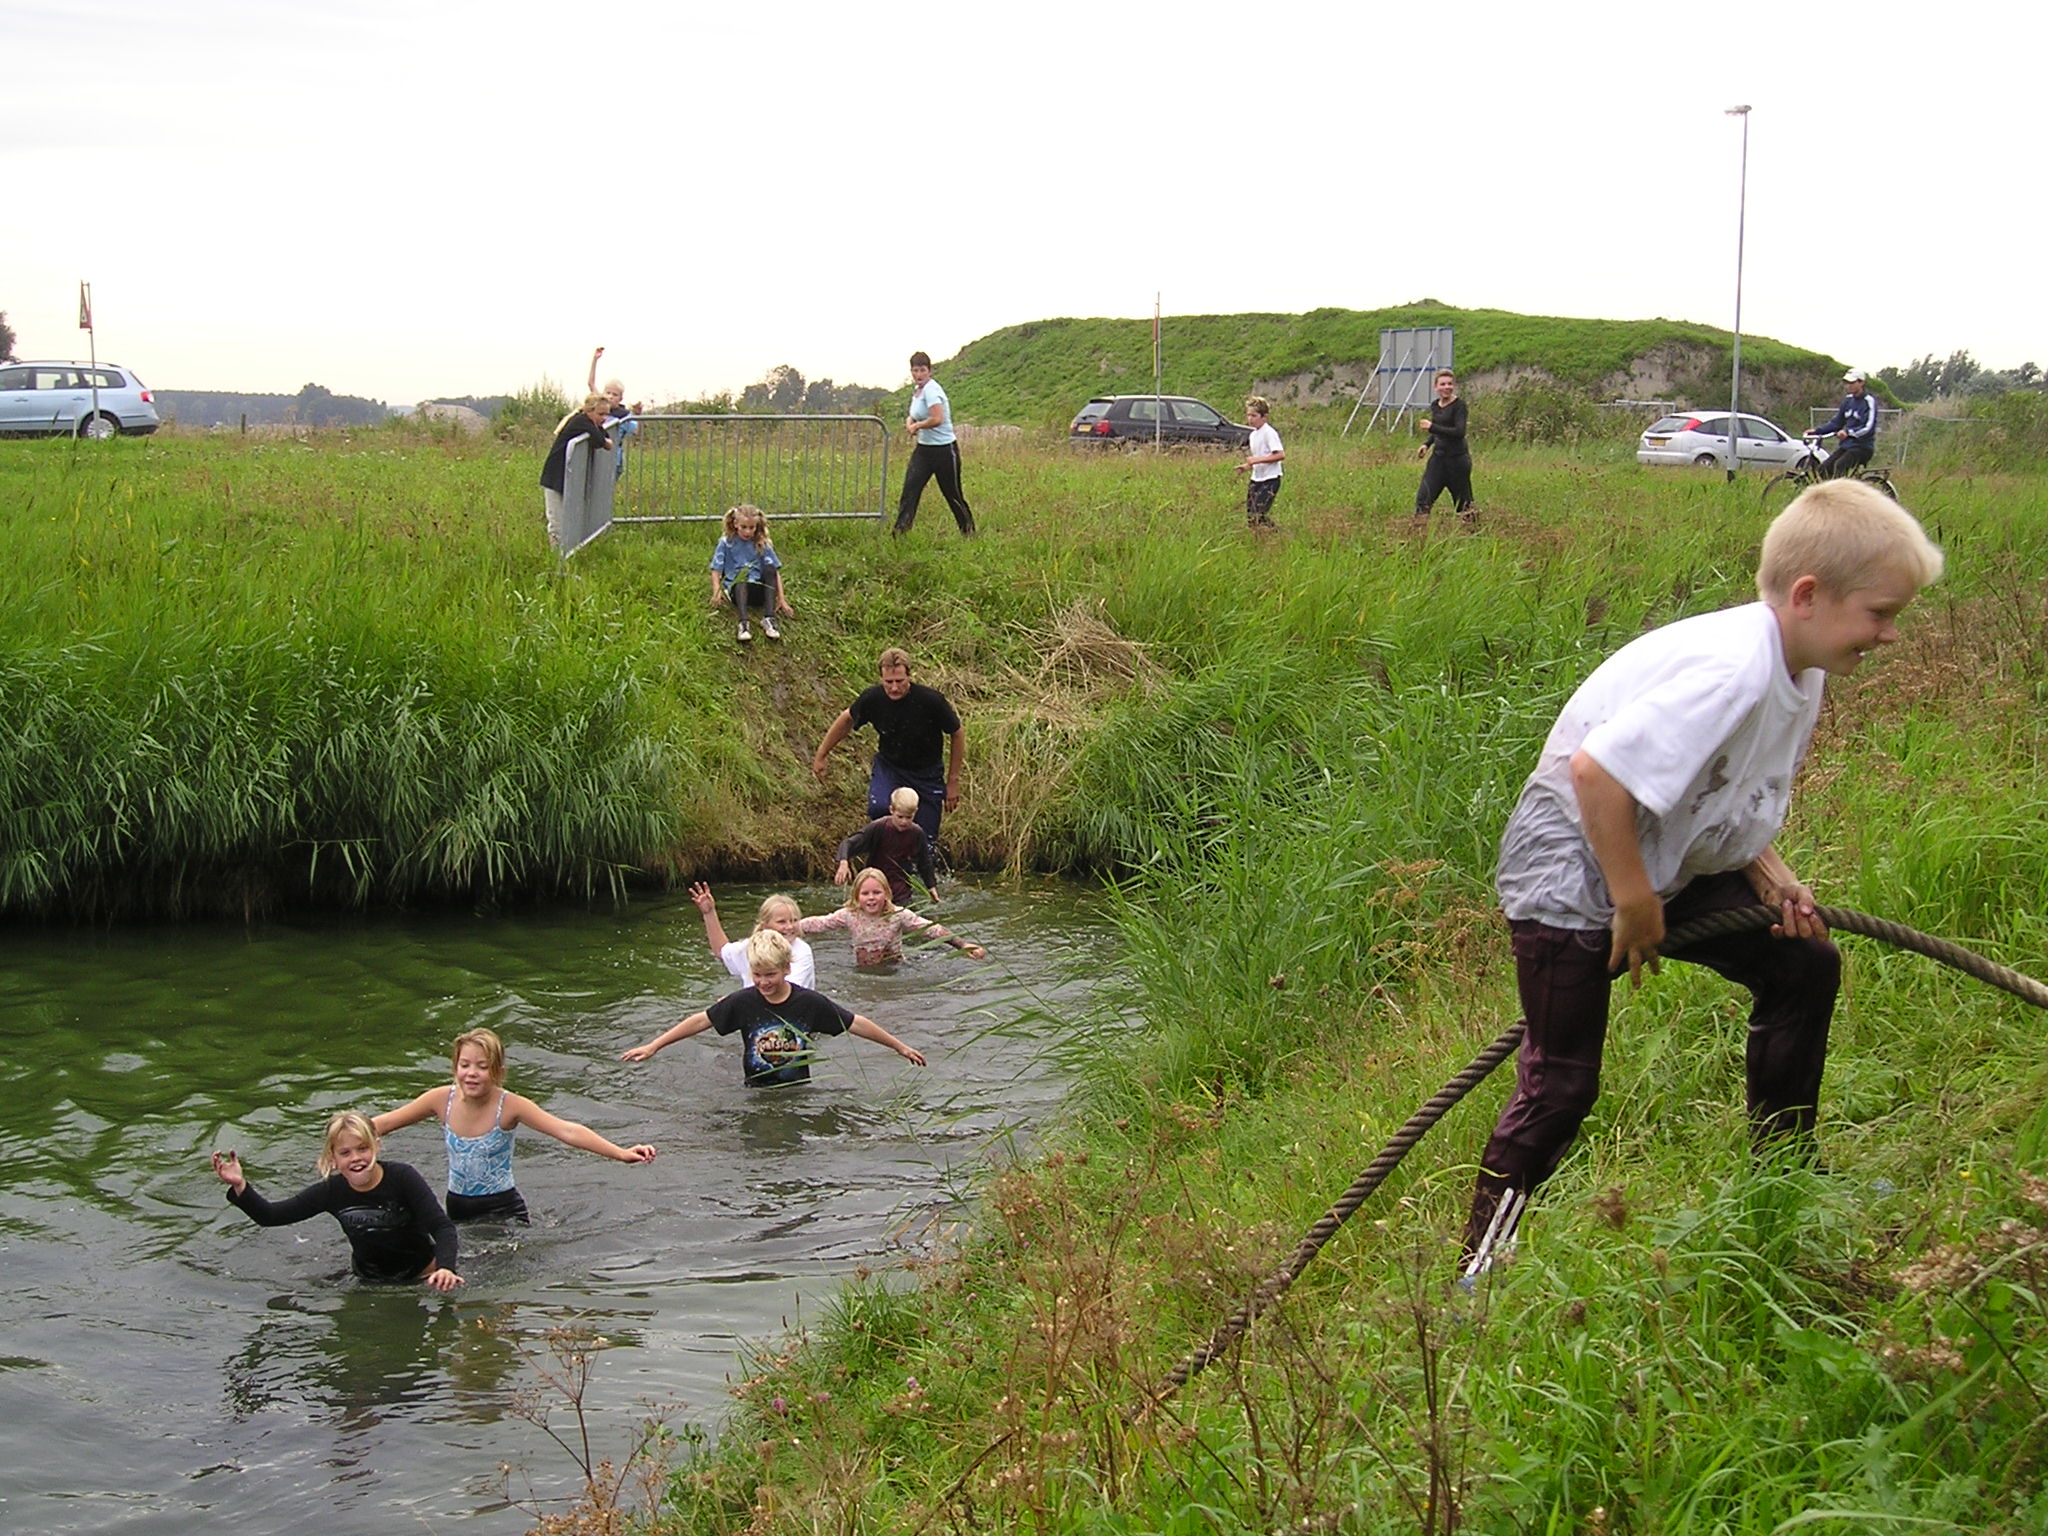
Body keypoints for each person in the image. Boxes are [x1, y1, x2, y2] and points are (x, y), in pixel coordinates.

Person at [1459, 480, 1944, 1275]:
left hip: (1660, 861)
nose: (1890, 634)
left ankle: (1783, 1180)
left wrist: (1772, 871)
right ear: (1808, 596)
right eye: (1882, 613)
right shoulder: (1731, 671)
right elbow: (1596, 775)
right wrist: (1634, 900)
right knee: (1562, 1085)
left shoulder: (1802, 665)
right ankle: (1476, 1270)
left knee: (1804, 963)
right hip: (1575, 866)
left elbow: (1723, 787)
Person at [371, 1028, 657, 1224]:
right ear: (455, 1066)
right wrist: (339, 1145)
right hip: (456, 1206)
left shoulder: (509, 1106)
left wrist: (621, 1153)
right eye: (465, 1065)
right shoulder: (440, 1100)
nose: (471, 1074)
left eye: (482, 1067)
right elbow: (382, 1124)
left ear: (498, 1072)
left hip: (502, 1210)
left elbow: (566, 1130)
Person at [621, 929, 927, 1087]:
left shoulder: (808, 1002)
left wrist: (899, 1047)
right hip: (754, 1092)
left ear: (786, 968)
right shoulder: (743, 1001)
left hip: (797, 1092)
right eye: (757, 975)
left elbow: (855, 1023)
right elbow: (700, 1021)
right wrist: (654, 1045)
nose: (763, 982)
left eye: (770, 975)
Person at [211, 1111, 463, 1290]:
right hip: (370, 1281)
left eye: (363, 1149)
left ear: (377, 1146)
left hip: (422, 1275)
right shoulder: (332, 1191)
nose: (355, 1158)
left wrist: (446, 1268)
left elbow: (442, 1227)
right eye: (345, 1153)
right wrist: (240, 1185)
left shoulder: (403, 1177)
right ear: (333, 1159)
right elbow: (271, 1216)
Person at [811, 647, 964, 847]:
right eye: (888, 682)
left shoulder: (930, 701)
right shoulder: (873, 698)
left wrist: (953, 781)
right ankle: (887, 860)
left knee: (926, 841)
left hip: (927, 772)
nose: (893, 688)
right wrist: (821, 755)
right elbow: (846, 719)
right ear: (881, 678)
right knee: (879, 808)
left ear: (909, 676)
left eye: (899, 682)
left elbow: (957, 733)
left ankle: (919, 869)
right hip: (890, 768)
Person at [799, 866, 985, 967]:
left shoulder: (897, 915)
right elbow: (820, 923)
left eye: (876, 892)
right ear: (856, 896)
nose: (871, 898)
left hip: (895, 970)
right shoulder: (850, 915)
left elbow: (931, 929)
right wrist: (788, 926)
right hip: (863, 970)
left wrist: (962, 944)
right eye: (865, 894)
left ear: (887, 894)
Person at [894, 351, 977, 536]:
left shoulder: (932, 390)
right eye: (915, 371)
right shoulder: (917, 391)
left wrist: (918, 426)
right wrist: (910, 424)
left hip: (944, 451)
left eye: (922, 370)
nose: (918, 375)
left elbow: (937, 418)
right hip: (923, 451)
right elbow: (913, 414)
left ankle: (969, 532)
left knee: (952, 494)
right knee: (910, 491)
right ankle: (899, 534)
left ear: (929, 371)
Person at [690, 882, 818, 989]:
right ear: (764, 925)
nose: (790, 927)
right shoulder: (752, 946)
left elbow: (781, 991)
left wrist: (734, 1004)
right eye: (781, 922)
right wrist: (709, 913)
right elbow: (721, 951)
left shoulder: (801, 951)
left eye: (794, 920)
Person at [833, 786, 939, 904]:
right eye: (900, 816)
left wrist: (931, 887)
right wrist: (843, 862)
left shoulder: (917, 833)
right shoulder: (879, 827)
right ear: (891, 810)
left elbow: (924, 863)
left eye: (909, 817)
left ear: (916, 812)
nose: (904, 821)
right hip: (875, 888)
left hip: (900, 891)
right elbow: (848, 843)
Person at [709, 503, 794, 643]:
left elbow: (774, 572)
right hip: (737, 589)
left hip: (757, 588)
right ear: (736, 524)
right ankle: (743, 624)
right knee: (742, 581)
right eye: (744, 527)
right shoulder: (726, 543)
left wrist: (782, 599)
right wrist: (716, 591)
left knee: (770, 568)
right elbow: (716, 568)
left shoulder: (761, 543)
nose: (748, 532)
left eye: (751, 528)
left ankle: (769, 619)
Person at [539, 394, 614, 551]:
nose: (605, 418)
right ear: (589, 411)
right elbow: (601, 441)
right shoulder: (581, 422)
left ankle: (568, 551)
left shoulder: (589, 422)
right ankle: (557, 556)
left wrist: (604, 438)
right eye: (601, 414)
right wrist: (606, 441)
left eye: (607, 414)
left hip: (566, 476)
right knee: (557, 519)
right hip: (554, 476)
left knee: (568, 516)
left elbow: (601, 434)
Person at [1413, 368, 1477, 532]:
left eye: (1449, 384)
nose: (1447, 387)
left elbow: (1459, 432)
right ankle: (1418, 534)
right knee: (1423, 498)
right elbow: (1438, 432)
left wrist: (1431, 426)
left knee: (1464, 505)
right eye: (1443, 384)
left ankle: (1472, 535)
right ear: (1436, 387)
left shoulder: (1459, 406)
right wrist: (1427, 444)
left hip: (1457, 462)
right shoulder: (1435, 406)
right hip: (1438, 460)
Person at [1809, 369, 1879, 479]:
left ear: (1861, 383)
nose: (1848, 386)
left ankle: (1842, 494)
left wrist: (1848, 432)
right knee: (1824, 468)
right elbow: (1837, 423)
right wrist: (1817, 431)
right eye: (1848, 383)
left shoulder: (1869, 401)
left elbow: (1868, 427)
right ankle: (1831, 494)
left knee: (1840, 466)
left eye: (1852, 383)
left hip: (1862, 447)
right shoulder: (1847, 401)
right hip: (1847, 446)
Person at [587, 347, 643, 478]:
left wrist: (639, 415)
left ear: (621, 398)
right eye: (608, 393)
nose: (610, 396)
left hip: (613, 459)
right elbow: (591, 383)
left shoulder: (624, 415)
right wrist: (595, 360)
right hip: (596, 456)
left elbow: (636, 432)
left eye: (615, 394)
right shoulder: (599, 404)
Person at [1235, 396, 1285, 531]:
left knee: (1258, 513)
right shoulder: (1253, 435)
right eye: (1248, 415)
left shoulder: (1269, 433)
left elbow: (1280, 455)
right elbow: (1259, 457)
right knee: (1251, 516)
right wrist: (1246, 467)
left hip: (1270, 479)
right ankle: (1259, 538)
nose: (1250, 419)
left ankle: (1277, 534)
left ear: (1264, 417)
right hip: (1256, 479)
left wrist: (1256, 460)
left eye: (1254, 415)